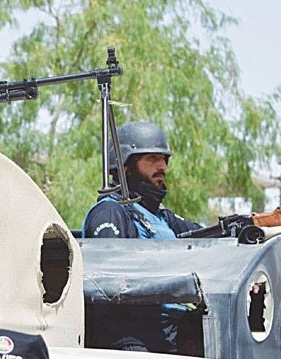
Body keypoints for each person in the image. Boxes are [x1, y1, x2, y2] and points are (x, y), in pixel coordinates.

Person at [82, 120, 203, 354]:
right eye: (152, 159)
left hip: (169, 334)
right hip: (132, 338)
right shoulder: (111, 212)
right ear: (125, 165)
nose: (162, 166)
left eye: (164, 159)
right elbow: (109, 283)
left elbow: (206, 240)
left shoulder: (162, 217)